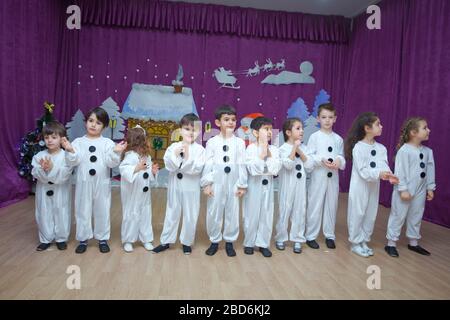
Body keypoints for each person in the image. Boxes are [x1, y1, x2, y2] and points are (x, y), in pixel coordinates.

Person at [62, 107, 127, 254]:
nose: (93, 125)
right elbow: (73, 161)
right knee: (82, 209)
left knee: (102, 209)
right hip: (83, 182)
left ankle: (102, 238)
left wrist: (116, 152)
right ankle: (83, 238)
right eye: (91, 121)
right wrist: (70, 150)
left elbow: (112, 163)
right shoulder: (78, 142)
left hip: (102, 183)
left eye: (98, 123)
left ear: (103, 126)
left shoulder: (108, 143)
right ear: (86, 122)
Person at [345, 112, 399, 257]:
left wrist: (389, 175)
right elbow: (362, 172)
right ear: (367, 128)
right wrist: (379, 174)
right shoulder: (358, 148)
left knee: (370, 214)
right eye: (377, 124)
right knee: (358, 213)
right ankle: (355, 242)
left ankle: (364, 240)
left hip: (373, 187)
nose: (381, 127)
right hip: (360, 187)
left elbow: (384, 165)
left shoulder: (381, 148)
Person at [153, 113, 206, 255]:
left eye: (193, 129)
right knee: (172, 212)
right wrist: (176, 155)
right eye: (187, 129)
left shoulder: (200, 150)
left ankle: (186, 242)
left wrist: (185, 160)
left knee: (190, 214)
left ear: (199, 131)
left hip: (191, 187)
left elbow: (197, 169)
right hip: (175, 185)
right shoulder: (173, 147)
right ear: (181, 130)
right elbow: (170, 166)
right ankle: (166, 241)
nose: (190, 132)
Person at [385, 117, 435, 257]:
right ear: (413, 132)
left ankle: (413, 242)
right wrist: (403, 189)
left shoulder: (427, 151)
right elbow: (400, 171)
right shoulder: (405, 150)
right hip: (405, 189)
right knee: (398, 215)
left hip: (420, 189)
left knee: (416, 214)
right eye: (424, 128)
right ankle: (391, 243)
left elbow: (430, 170)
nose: (428, 130)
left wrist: (430, 187)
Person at [201, 105, 247, 257]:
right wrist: (207, 184)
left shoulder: (239, 143)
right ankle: (214, 241)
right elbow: (207, 164)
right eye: (226, 120)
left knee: (232, 212)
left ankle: (229, 242)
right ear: (218, 123)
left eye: (233, 120)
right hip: (216, 182)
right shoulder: (212, 142)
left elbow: (242, 164)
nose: (230, 122)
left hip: (233, 183)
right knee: (214, 211)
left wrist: (242, 184)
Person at [305, 103, 346, 250]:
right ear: (318, 119)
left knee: (331, 205)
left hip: (333, 177)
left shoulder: (338, 139)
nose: (327, 120)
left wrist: (338, 161)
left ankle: (329, 235)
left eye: (330, 117)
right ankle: (310, 235)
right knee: (315, 205)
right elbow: (309, 157)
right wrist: (321, 159)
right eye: (324, 117)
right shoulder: (314, 137)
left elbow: (341, 156)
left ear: (335, 119)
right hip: (318, 176)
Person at [242, 116, 281, 258]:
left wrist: (267, 155)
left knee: (267, 213)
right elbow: (253, 169)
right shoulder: (251, 149)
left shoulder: (274, 150)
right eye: (266, 129)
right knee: (251, 214)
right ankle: (249, 243)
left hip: (268, 187)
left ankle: (263, 243)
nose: (269, 132)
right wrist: (262, 155)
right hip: (254, 187)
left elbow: (275, 169)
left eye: (271, 129)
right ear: (256, 133)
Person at [32, 121, 73, 251]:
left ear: (62, 138)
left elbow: (64, 175)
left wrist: (51, 168)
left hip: (61, 191)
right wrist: (44, 170)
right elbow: (35, 173)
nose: (50, 140)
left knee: (61, 212)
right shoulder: (39, 156)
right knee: (44, 212)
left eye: (54, 137)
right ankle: (45, 238)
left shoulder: (66, 156)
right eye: (47, 137)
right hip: (44, 190)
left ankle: (61, 238)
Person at [275, 118, 314, 254]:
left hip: (300, 185)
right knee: (285, 209)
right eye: (298, 128)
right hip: (287, 185)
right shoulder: (282, 149)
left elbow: (309, 166)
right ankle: (280, 237)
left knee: (300, 210)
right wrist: (295, 148)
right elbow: (288, 165)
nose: (302, 131)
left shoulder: (305, 148)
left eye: (302, 128)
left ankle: (298, 238)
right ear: (288, 132)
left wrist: (300, 150)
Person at [119, 125, 159, 253]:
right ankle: (128, 240)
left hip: (144, 191)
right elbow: (124, 170)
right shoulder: (130, 156)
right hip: (132, 192)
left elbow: (149, 173)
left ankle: (146, 238)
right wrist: (137, 168)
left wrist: (153, 172)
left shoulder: (146, 156)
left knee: (145, 214)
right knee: (131, 214)